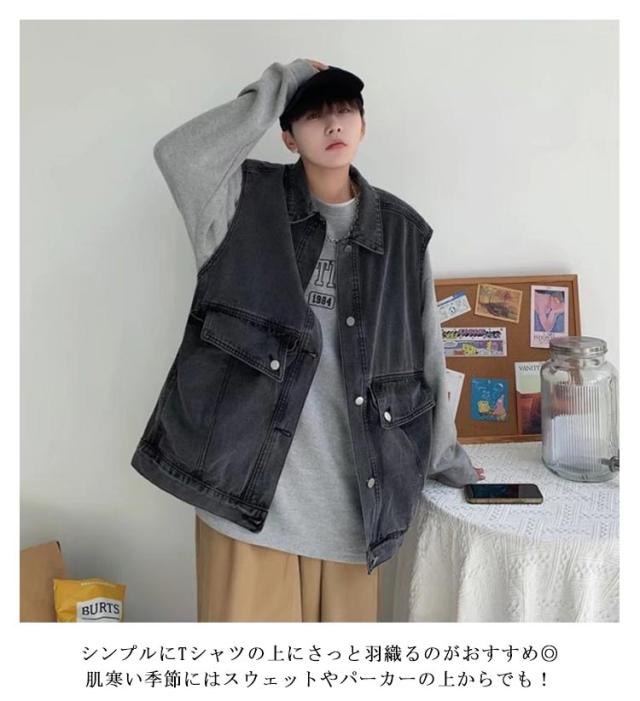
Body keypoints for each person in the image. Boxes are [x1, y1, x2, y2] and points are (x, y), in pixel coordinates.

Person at [137, 58, 485, 623]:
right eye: (314, 115)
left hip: (354, 511)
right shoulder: (240, 204)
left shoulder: (402, 233)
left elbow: (427, 356)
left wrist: (445, 458)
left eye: (345, 111)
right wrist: (283, 82)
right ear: (287, 135)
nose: (333, 124)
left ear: (363, 125)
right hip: (244, 504)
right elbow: (177, 156)